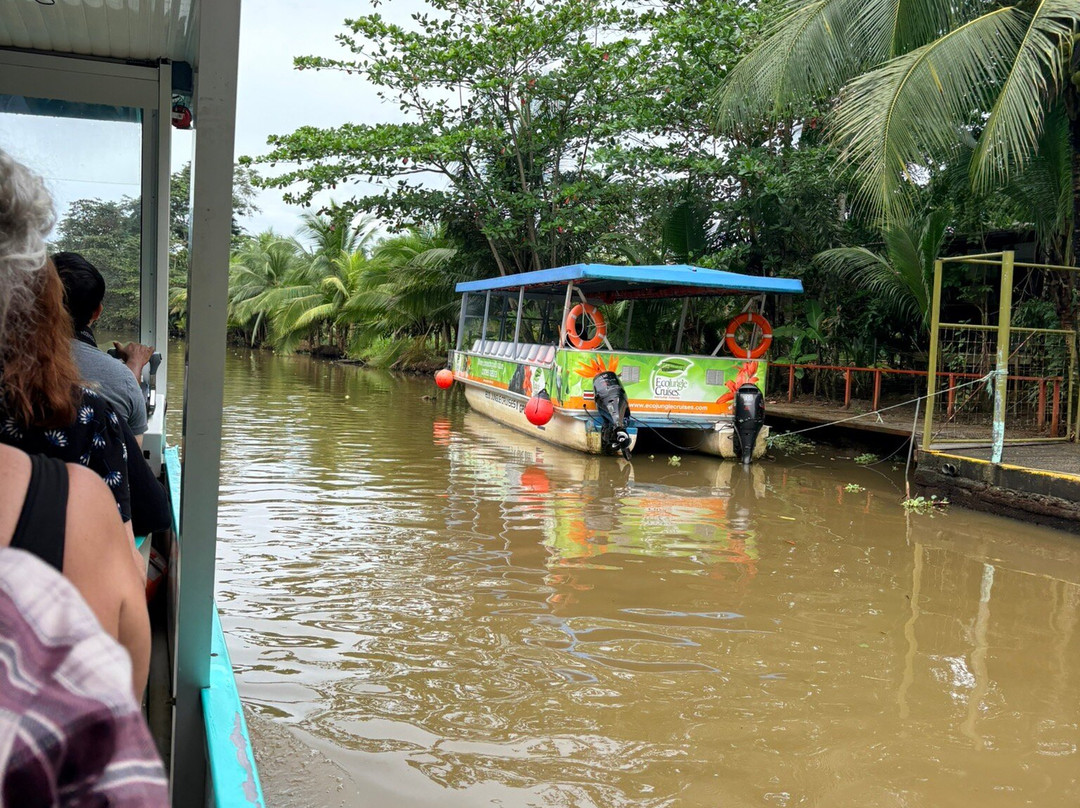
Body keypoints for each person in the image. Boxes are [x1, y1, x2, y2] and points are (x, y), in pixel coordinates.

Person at [53, 252, 153, 445]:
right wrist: (134, 366)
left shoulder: (12, 366)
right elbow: (131, 460)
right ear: (98, 311)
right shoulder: (121, 378)